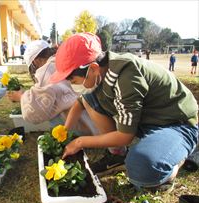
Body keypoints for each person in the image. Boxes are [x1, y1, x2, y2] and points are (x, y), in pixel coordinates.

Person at [50, 32, 198, 191]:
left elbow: (125, 136)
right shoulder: (102, 71)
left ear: (92, 68)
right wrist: (64, 132)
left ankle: (178, 157)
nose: (73, 85)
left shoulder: (126, 76)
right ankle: (117, 155)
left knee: (141, 168)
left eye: (73, 81)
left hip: (175, 123)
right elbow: (80, 103)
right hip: (148, 119)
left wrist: (79, 142)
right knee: (88, 98)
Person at [7, 40, 98, 135]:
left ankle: (69, 135)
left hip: (79, 124)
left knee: (52, 109)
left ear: (36, 61)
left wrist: (21, 97)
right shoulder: (60, 60)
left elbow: (34, 111)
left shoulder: (45, 70)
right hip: (94, 119)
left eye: (32, 67)